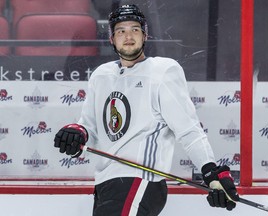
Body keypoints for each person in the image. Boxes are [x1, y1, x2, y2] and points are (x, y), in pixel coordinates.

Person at [54, 4, 239, 216]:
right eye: (121, 31)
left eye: (135, 29)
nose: (128, 36)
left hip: (140, 180)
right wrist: (76, 134)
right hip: (105, 183)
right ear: (112, 39)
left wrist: (211, 172)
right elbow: (89, 127)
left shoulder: (162, 71)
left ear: (145, 36)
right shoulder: (101, 76)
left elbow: (188, 129)